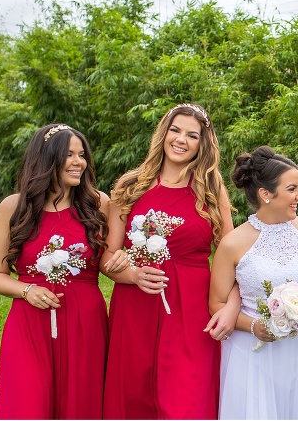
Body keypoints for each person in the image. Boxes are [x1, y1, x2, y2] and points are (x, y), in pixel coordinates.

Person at [101, 103, 236, 419]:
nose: (181, 140)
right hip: (135, 307)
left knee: (185, 398)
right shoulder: (130, 186)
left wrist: (231, 305)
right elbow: (107, 258)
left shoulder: (212, 190)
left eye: (192, 135)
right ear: (163, 134)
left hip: (191, 308)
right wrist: (132, 274)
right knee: (133, 395)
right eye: (175, 130)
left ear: (203, 144)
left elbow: (233, 257)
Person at [0, 124, 129, 419]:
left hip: (85, 324)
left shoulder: (98, 203)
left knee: (80, 406)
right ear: (46, 158)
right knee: (26, 403)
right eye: (69, 155)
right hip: (29, 324)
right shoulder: (13, 207)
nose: (79, 162)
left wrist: (124, 259)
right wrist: (27, 290)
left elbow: (110, 258)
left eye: (82, 155)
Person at [209, 146, 298, 419]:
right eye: (292, 189)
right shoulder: (233, 243)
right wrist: (255, 326)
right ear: (265, 194)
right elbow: (217, 303)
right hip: (252, 352)